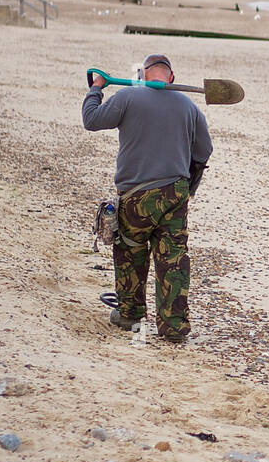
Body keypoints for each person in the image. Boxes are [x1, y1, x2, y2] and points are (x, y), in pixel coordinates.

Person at [81, 54, 212, 342]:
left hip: (135, 193)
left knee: (130, 251)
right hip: (174, 193)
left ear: (142, 75)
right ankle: (174, 327)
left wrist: (97, 88)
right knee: (173, 258)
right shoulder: (189, 107)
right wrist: (189, 185)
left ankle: (130, 314)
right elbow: (204, 151)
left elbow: (90, 120)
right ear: (172, 78)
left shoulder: (128, 97)